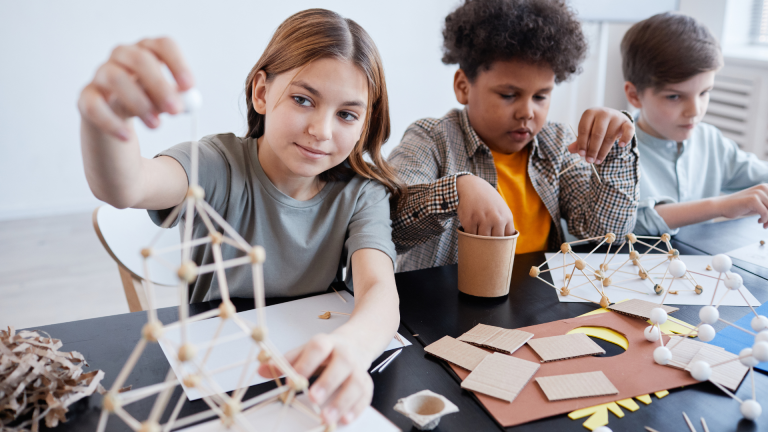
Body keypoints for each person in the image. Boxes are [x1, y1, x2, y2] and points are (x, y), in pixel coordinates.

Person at [78, 9, 401, 426]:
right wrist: (107, 119)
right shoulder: (218, 165)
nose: (322, 130)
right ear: (262, 92)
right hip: (213, 376)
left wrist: (353, 348)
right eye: (304, 100)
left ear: (364, 123)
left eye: (346, 114)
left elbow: (379, 289)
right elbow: (128, 185)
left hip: (304, 374)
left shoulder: (362, 193)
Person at [389, 0, 639, 272]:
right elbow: (390, 226)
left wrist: (615, 149)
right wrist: (457, 191)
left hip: (535, 302)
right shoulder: (431, 139)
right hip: (440, 306)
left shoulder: (556, 143)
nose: (527, 112)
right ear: (463, 86)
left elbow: (604, 233)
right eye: (509, 95)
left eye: (541, 96)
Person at [622, 12, 768, 235]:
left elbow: (761, 175)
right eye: (674, 97)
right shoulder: (615, 150)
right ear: (634, 95)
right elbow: (623, 224)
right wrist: (720, 206)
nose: (695, 111)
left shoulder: (710, 140)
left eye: (704, 92)